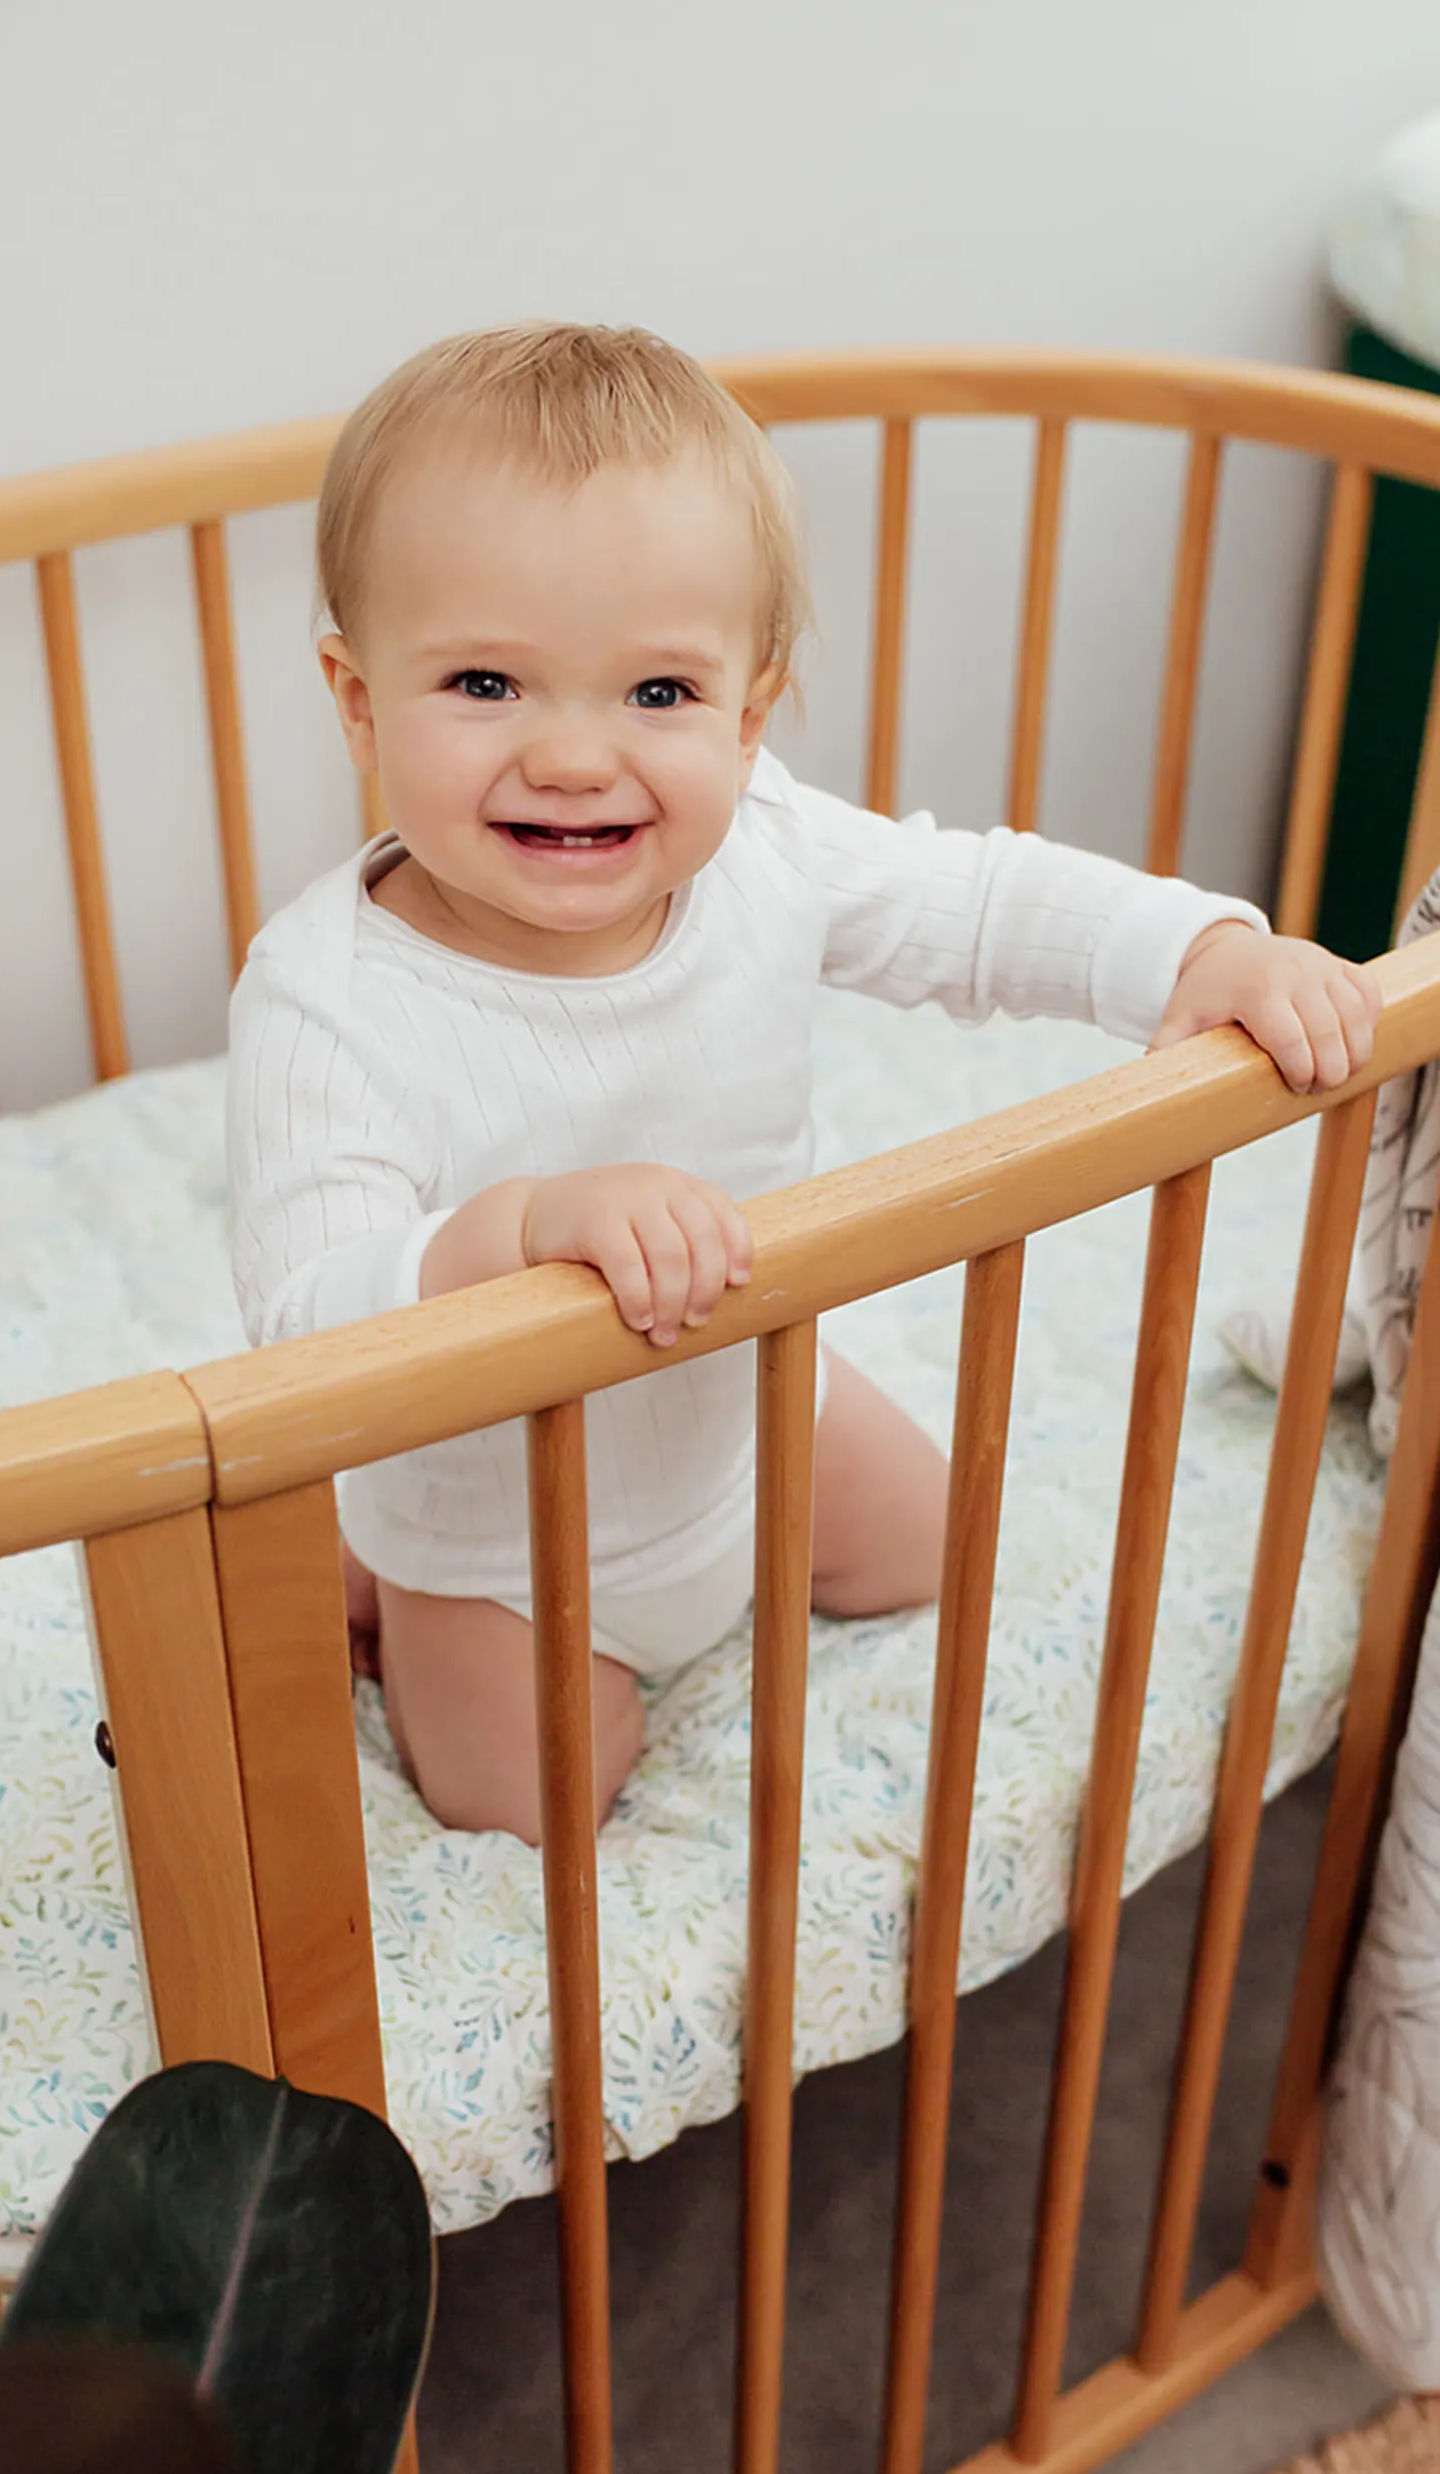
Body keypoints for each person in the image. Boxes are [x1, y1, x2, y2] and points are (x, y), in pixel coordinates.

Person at [228, 323, 1379, 1845]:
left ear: (750, 709)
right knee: (536, 1807)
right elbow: (305, 1319)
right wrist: (510, 1231)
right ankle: (373, 1585)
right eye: (489, 681)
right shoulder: (331, 995)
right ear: (360, 699)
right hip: (492, 1537)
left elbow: (975, 906)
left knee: (932, 1546)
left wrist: (1197, 951)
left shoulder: (766, 850)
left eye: (656, 694)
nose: (575, 755)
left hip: (753, 1410)